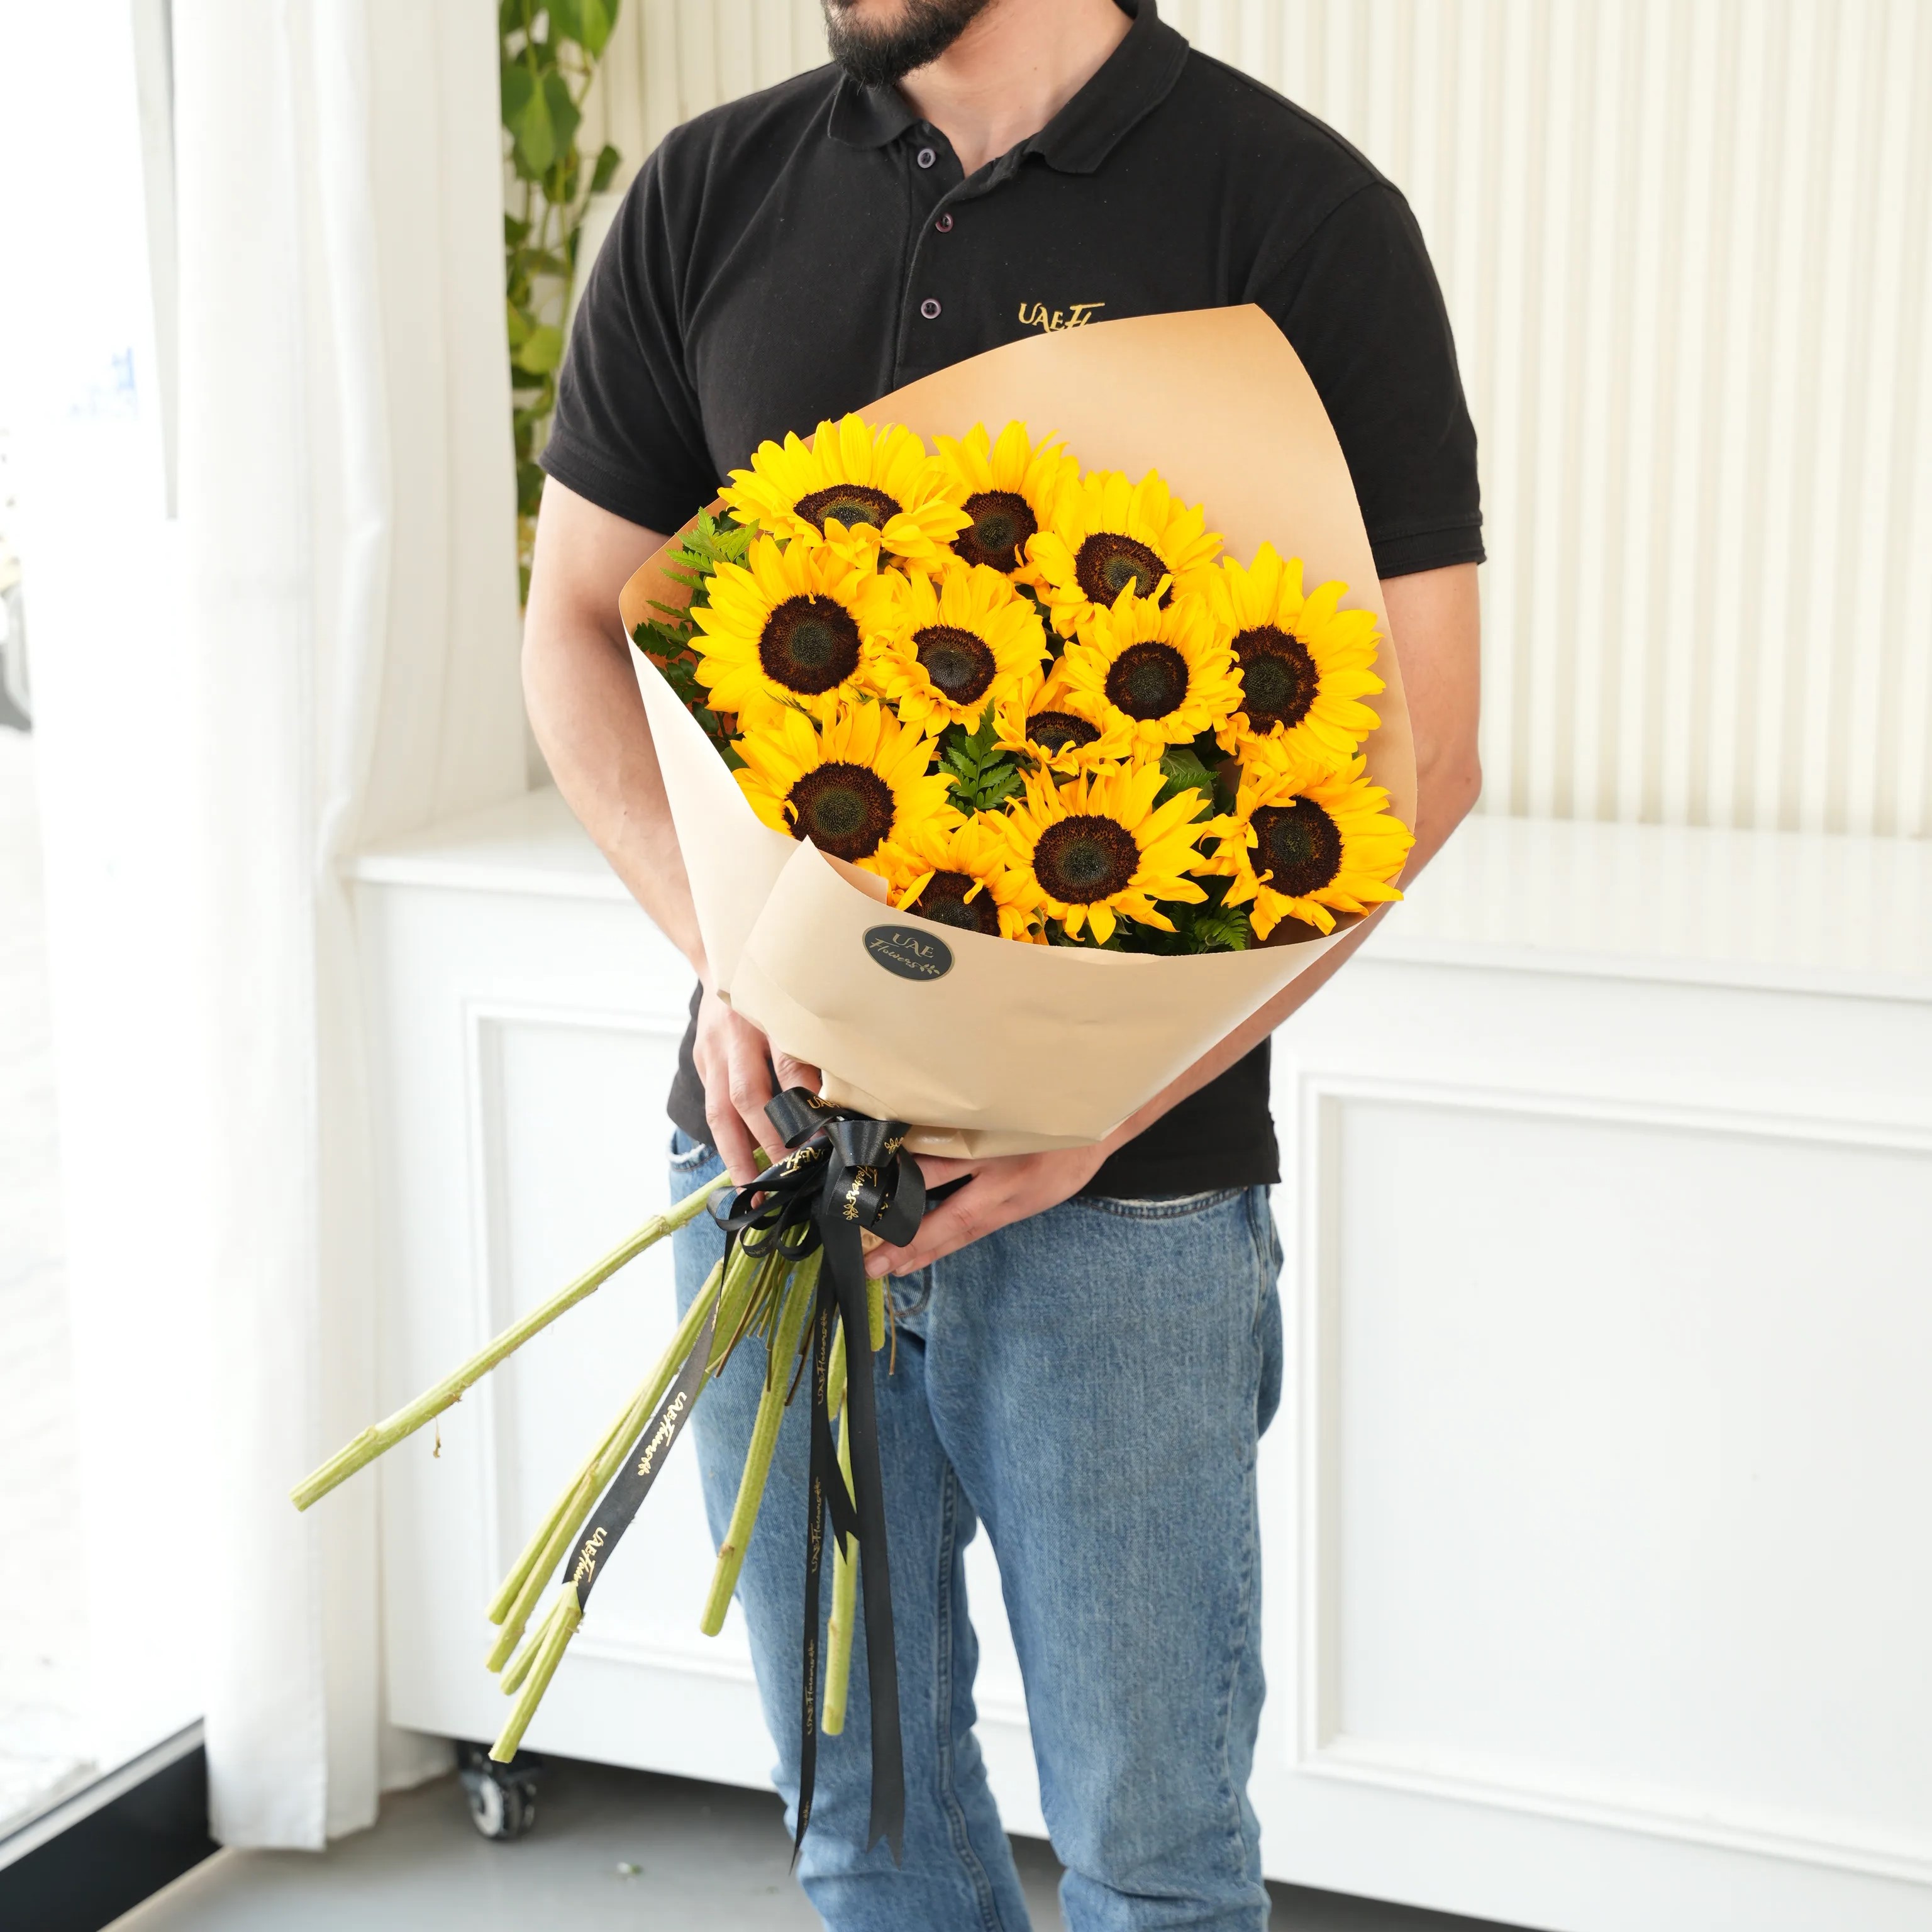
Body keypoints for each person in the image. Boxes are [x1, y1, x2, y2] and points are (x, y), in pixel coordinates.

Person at [523, 1, 1482, 1924]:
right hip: (770, 1162)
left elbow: (1424, 757)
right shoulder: (708, 192)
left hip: (1127, 1211)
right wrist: (736, 962)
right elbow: (575, 624)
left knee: (1153, 1858)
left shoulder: (1297, 220)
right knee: (859, 1825)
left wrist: (1096, 1103)